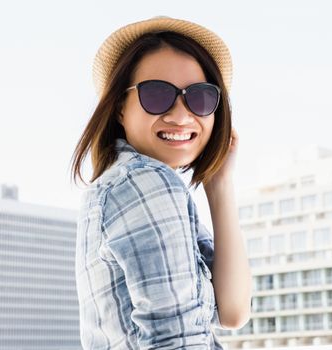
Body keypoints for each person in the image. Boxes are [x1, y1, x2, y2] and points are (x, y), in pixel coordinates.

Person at [70, 16, 252, 349]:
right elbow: (176, 342)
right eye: (157, 95)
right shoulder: (147, 183)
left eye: (199, 97)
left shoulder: (127, 185)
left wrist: (220, 185)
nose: (181, 115)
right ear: (120, 108)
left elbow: (233, 312)